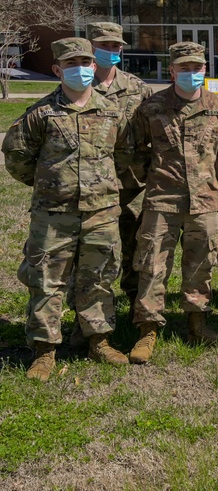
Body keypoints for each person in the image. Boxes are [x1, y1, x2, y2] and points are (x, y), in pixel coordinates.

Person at [4, 38, 133, 380]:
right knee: (46, 280)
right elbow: (16, 156)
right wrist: (50, 184)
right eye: (71, 63)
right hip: (53, 214)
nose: (80, 68)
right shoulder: (41, 113)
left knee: (100, 277)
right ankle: (45, 351)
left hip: (101, 212)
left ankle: (98, 340)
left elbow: (125, 154)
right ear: (58, 69)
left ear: (94, 66)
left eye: (85, 62)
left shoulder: (112, 111)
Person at [128, 42, 218, 363]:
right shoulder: (151, 107)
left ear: (205, 70)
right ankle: (147, 330)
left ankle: (197, 323)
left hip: (204, 201)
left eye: (197, 67)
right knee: (152, 264)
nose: (191, 73)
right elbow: (135, 149)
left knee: (201, 264)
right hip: (161, 201)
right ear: (172, 70)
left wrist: (207, 175)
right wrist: (153, 176)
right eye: (184, 68)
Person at [86, 22, 154, 313]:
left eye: (116, 46)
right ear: (91, 48)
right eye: (105, 46)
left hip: (132, 183)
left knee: (136, 245)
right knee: (93, 250)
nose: (111, 51)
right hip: (92, 186)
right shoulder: (79, 87)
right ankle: (91, 308)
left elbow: (155, 133)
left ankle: (135, 303)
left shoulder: (138, 89)